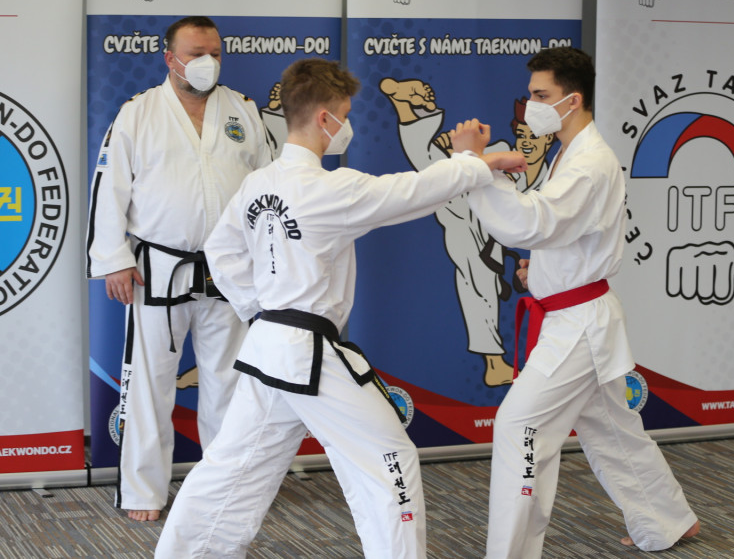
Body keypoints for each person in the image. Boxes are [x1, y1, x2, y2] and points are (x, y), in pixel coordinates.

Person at [154, 59, 526, 559]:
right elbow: (410, 193)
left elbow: (221, 253)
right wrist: (471, 162)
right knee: (389, 458)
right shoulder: (328, 189)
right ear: (325, 118)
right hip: (306, 353)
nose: (346, 126)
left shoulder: (259, 183)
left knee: (234, 467)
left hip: (269, 346)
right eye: (345, 115)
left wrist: (261, 307)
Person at [462, 47, 699, 558]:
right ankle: (667, 520)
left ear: (573, 100)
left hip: (579, 324)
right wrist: (543, 273)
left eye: (541, 95)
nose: (531, 105)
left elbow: (532, 223)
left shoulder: (589, 163)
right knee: (612, 430)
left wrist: (474, 167)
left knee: (519, 425)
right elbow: (566, 234)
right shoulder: (567, 154)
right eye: (530, 95)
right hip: (572, 314)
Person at [86, 15, 273, 521]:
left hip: (229, 268)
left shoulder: (243, 110)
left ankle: (225, 492)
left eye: (215, 52)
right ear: (170, 58)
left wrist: (267, 258)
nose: (208, 61)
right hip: (156, 268)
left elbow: (267, 185)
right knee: (149, 384)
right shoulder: (138, 112)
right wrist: (114, 259)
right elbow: (109, 188)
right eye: (196, 53)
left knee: (229, 383)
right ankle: (143, 493)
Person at [380, 78, 555, 386]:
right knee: (477, 271)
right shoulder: (501, 151)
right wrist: (460, 154)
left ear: (550, 140)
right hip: (466, 217)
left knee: (437, 173)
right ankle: (494, 364)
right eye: (522, 135)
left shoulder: (551, 176)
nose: (526, 142)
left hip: (488, 231)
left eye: (535, 137)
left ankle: (408, 112)